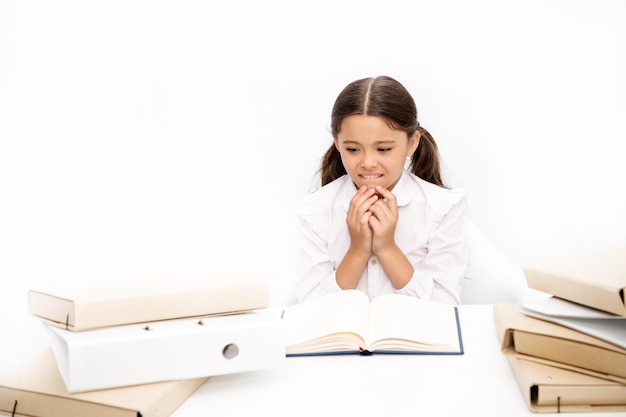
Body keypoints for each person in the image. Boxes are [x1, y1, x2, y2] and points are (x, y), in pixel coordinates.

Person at [295, 75, 469, 305]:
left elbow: (445, 307)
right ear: (337, 143)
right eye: (353, 149)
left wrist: (387, 248)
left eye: (384, 149)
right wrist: (357, 251)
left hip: (412, 340)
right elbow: (310, 309)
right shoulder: (316, 210)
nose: (368, 162)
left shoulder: (442, 208)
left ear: (412, 143)